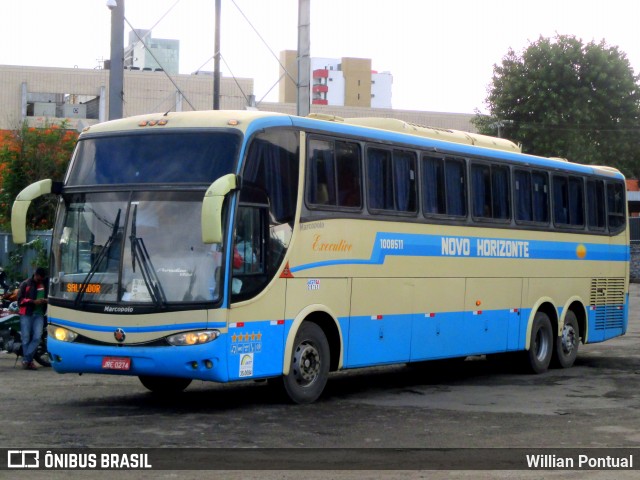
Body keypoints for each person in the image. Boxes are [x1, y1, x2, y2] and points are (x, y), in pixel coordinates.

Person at [17, 267, 48, 370]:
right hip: (26, 313)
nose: (40, 280)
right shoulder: (25, 284)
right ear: (35, 274)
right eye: (39, 278)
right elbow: (20, 301)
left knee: (37, 337)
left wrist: (45, 301)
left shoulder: (44, 285)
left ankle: (26, 360)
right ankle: (29, 361)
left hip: (39, 314)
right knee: (26, 339)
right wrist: (33, 302)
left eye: (41, 279)